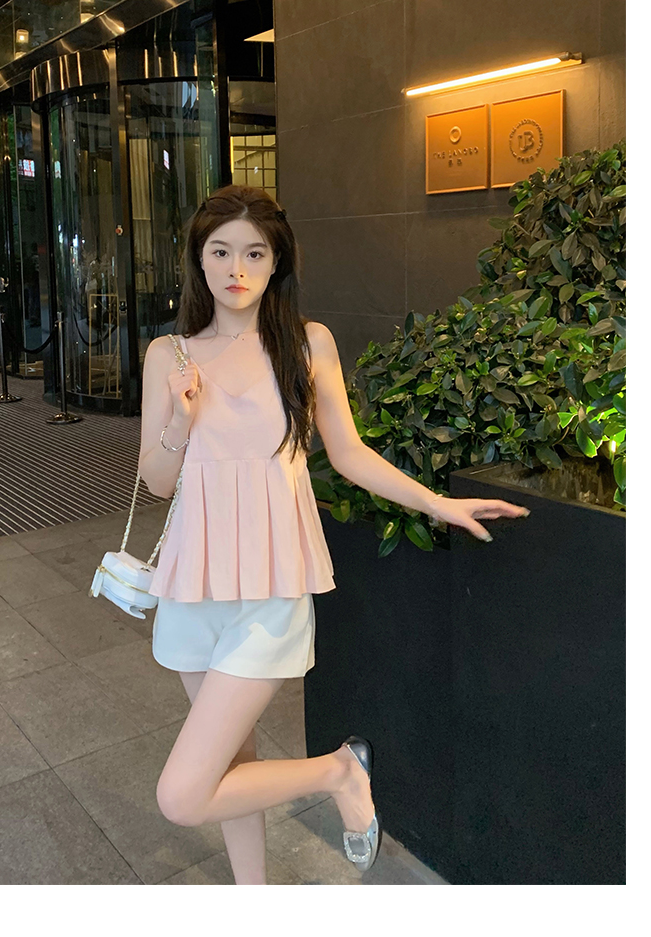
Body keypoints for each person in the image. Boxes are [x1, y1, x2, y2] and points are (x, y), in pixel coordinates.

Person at [138, 184, 529, 884]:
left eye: (254, 253)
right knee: (230, 762)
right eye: (220, 252)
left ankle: (340, 771)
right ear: (198, 260)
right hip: (194, 585)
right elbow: (158, 481)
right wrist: (180, 418)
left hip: (272, 585)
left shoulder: (306, 342)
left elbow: (348, 454)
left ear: (277, 260)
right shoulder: (169, 354)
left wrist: (438, 503)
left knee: (182, 794)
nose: (236, 268)